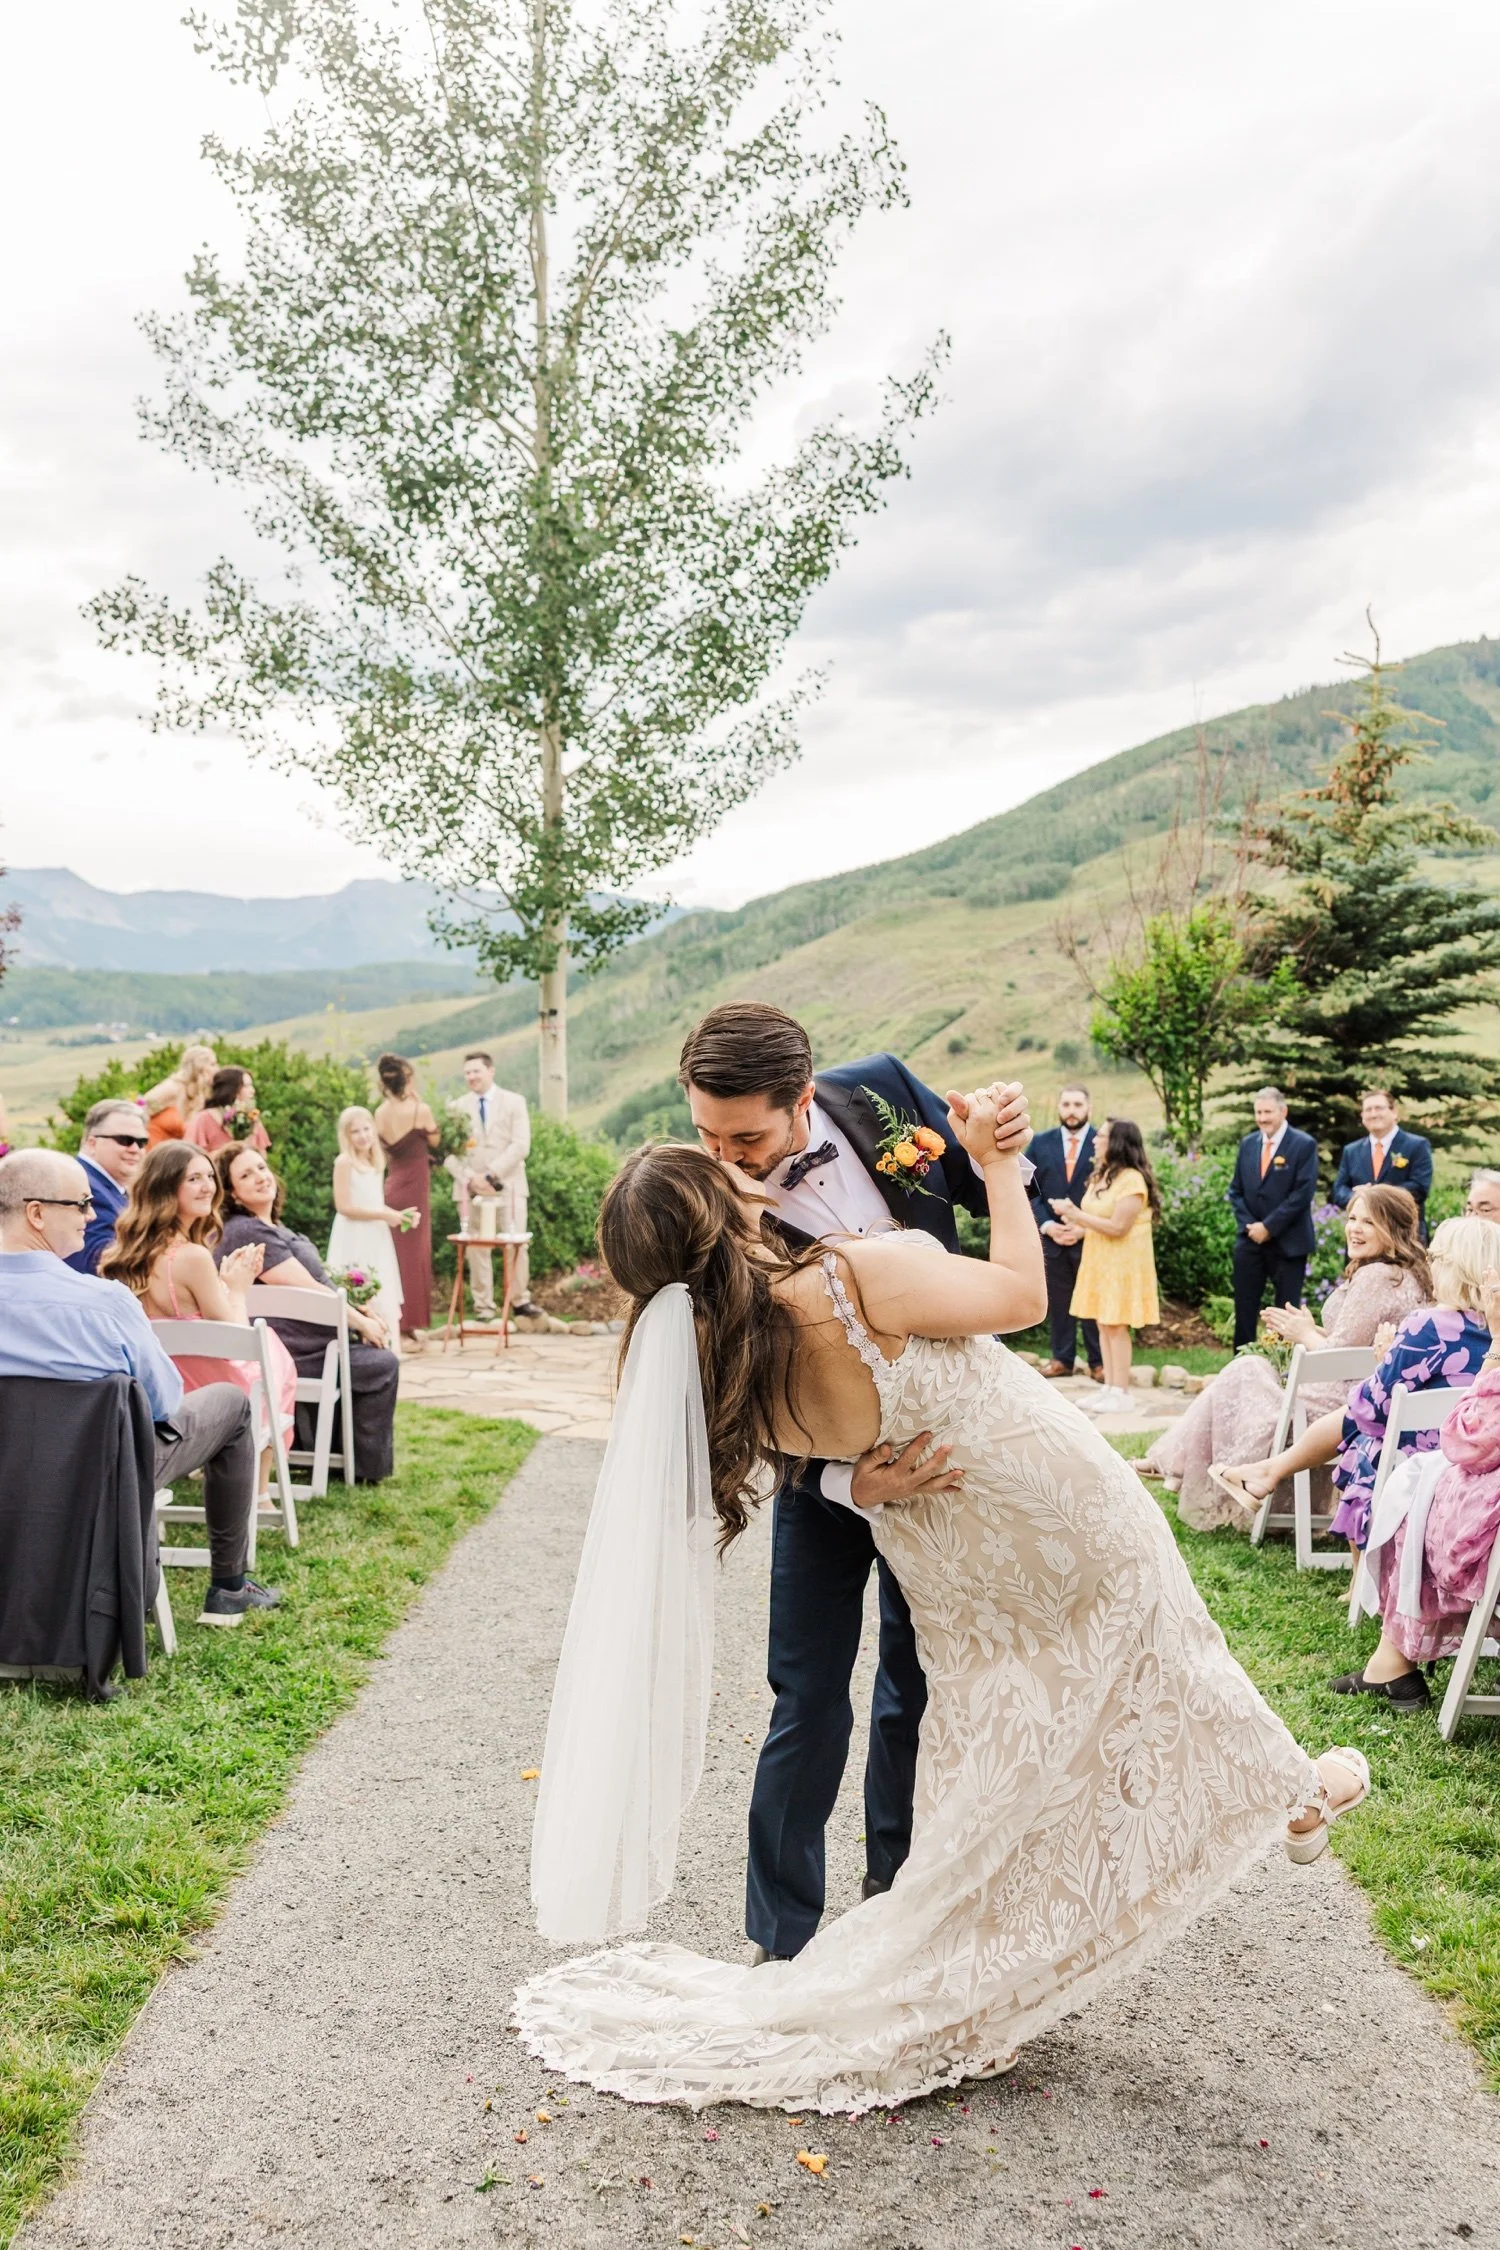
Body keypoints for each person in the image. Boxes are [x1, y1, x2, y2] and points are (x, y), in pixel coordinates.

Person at [512, 1100, 1367, 2111]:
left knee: (983, 1750)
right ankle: (1284, 1788)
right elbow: (1016, 1296)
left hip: (945, 1557)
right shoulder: (846, 1275)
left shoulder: (723, 1353)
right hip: (1047, 1508)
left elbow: (796, 1458)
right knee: (1157, 1652)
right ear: (728, 1207)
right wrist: (994, 1169)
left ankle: (978, 1986)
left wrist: (855, 1488)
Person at [678, 1000, 1033, 1964]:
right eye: (706, 1132)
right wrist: (843, 1483)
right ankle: (778, 1935)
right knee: (805, 1697)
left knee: (917, 1684)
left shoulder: (878, 1088)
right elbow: (730, 1382)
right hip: (820, 1475)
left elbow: (979, 1187)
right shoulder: (703, 1196)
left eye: (745, 1135)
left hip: (947, 1454)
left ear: (801, 1101)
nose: (727, 1156)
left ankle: (896, 1904)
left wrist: (991, 1139)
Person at [0, 1148, 282, 1626]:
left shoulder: (113, 1275)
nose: (92, 1216)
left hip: (12, 1472)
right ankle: (229, 1587)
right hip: (103, 1473)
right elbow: (163, 1401)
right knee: (233, 1405)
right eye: (81, 1204)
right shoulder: (103, 1303)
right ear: (36, 1213)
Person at [1145, 1183, 1432, 1530]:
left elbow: (1339, 1359)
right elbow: (1358, 1345)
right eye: (1352, 1218)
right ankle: (1173, 1463)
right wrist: (1314, 1331)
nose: (1354, 1228)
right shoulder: (1406, 1275)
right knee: (1252, 1370)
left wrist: (1304, 1335)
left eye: (1368, 1222)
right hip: (1365, 1394)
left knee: (1247, 1370)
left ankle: (1173, 1464)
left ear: (1394, 1228)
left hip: (1344, 1403)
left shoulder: (1376, 1276)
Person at [1212, 1215, 1500, 1556]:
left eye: (1436, 1258)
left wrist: (1383, 1363)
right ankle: (1267, 1473)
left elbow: (1372, 1409)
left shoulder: (1430, 1326)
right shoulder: (1493, 1331)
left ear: (1457, 1267)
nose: (1430, 1265)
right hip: (1478, 1455)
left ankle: (1271, 1476)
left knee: (1361, 1430)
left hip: (1418, 1458)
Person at [1343, 1278, 1500, 1710]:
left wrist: (1499, 1344)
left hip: (1482, 1542)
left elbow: (1463, 1436)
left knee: (1413, 1497)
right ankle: (1389, 1664)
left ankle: (1392, 1665)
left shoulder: (1429, 1325)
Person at [214, 1142, 401, 1482]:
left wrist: (358, 1309)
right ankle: (361, 1467)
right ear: (233, 1194)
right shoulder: (248, 1231)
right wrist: (360, 1322)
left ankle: (333, 1454)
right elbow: (307, 1289)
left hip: (312, 1339)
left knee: (371, 1356)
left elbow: (321, 1284)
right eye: (245, 1174)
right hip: (293, 1348)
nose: (259, 1177)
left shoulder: (272, 1227)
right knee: (380, 1363)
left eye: (260, 1167)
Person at [100, 1140, 298, 1456]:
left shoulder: (121, 1256)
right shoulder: (192, 1257)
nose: (207, 1187)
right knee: (273, 1352)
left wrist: (221, 1283)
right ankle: (258, 1488)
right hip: (213, 1392)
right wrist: (236, 1288)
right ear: (165, 1188)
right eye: (193, 1179)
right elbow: (235, 1336)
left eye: (209, 1177)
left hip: (159, 1386)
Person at [1049, 1116, 1161, 1414]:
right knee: (1102, 1322)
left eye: (1103, 1136)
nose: (1096, 1140)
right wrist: (1079, 1230)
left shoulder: (1132, 1181)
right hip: (1100, 1259)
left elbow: (1119, 1227)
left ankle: (1121, 1392)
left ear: (1118, 1142)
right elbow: (1101, 1222)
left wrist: (1075, 1214)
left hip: (1123, 1263)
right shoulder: (1104, 1175)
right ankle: (1109, 1387)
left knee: (1116, 1323)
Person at [446, 1052, 536, 1322]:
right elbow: (448, 1152)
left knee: (516, 1242)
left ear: (491, 1071)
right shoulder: (456, 1108)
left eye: (476, 1071)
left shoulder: (514, 1102)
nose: (471, 1077)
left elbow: (521, 1145)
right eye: (467, 1073)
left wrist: (491, 1173)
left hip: (508, 1185)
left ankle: (519, 1301)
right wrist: (469, 1177)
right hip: (470, 1188)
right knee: (476, 1248)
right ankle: (484, 1307)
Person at [1228, 1087, 1319, 1348]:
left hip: (1288, 1242)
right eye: (1258, 1112)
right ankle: (1240, 1363)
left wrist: (1269, 1227)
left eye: (1268, 1112)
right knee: (1244, 1306)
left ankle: (1282, 1370)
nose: (1262, 1118)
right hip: (1250, 1242)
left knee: (1285, 1312)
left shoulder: (1303, 1144)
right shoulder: (1248, 1144)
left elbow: (1302, 1193)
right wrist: (1252, 1227)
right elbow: (1236, 1190)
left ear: (1283, 1111)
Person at [1026, 1083, 1103, 1382]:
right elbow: (1029, 1190)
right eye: (1067, 1105)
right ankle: (1062, 1359)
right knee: (1059, 1301)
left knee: (1094, 1300)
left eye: (1078, 1105)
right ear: (1059, 1108)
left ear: (1089, 1109)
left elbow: (1111, 1191)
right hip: (1052, 1238)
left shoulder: (1102, 1142)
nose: (1072, 1111)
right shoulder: (1041, 1144)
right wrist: (1047, 1226)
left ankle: (1099, 1362)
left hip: (1092, 1237)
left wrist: (1085, 1226)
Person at [327, 1105, 411, 1334]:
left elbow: (373, 1202)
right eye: (356, 1131)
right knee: (358, 1282)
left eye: (367, 1129)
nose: (363, 1136)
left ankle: (388, 1341)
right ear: (346, 1135)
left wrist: (398, 1216)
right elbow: (344, 1206)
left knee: (381, 1284)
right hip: (354, 1234)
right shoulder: (344, 1162)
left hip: (376, 1234)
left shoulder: (375, 1161)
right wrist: (384, 1215)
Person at [374, 1052, 439, 1338]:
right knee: (415, 1254)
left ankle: (396, 1319)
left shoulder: (379, 1112)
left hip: (392, 1186)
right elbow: (435, 1140)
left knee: (395, 1255)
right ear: (407, 1080)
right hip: (415, 1187)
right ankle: (410, 1323)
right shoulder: (419, 1110)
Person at [66, 1098, 150, 1275]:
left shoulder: (107, 1185)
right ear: (92, 1143)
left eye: (142, 1142)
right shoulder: (84, 1185)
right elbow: (96, 1261)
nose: (135, 1149)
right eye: (125, 1140)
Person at [1332, 1088, 1433, 1230]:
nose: (1373, 1114)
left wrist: (1375, 1194)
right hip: (1362, 1235)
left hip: (1403, 1233)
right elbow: (1339, 1191)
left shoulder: (1417, 1145)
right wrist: (1358, 1197)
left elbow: (1419, 1187)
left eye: (1379, 1108)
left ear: (1394, 1112)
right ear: (1362, 1116)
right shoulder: (1352, 1151)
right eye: (1368, 1110)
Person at [143, 1043, 218, 1147]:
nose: (217, 1069)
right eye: (213, 1064)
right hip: (151, 1148)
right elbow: (139, 1108)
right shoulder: (172, 1088)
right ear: (200, 1066)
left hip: (173, 1154)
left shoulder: (200, 1095)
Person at [186, 1066, 270, 1155]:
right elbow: (191, 1154)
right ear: (232, 1089)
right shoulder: (203, 1119)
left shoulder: (251, 1118)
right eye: (246, 1086)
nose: (252, 1091)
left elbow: (262, 1155)